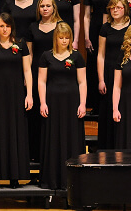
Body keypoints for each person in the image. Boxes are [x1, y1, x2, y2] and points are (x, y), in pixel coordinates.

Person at [0, 11, 32, 188]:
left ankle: (15, 176)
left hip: (16, 94)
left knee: (15, 131)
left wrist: (30, 94)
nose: (4, 29)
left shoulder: (21, 44)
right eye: (1, 26)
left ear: (12, 27)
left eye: (7, 26)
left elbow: (27, 71)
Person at [38, 22, 86, 190]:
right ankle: (52, 179)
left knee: (71, 138)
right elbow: (42, 81)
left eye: (67, 38)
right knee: (53, 137)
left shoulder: (77, 56)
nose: (64, 41)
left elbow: (82, 82)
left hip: (72, 103)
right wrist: (43, 102)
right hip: (52, 103)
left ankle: (72, 181)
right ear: (55, 38)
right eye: (61, 38)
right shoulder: (46, 56)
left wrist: (82, 103)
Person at [25, 0, 61, 162]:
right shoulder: (32, 26)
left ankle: (53, 152)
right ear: (38, 9)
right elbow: (30, 53)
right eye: (42, 6)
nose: (45, 8)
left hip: (55, 71)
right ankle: (36, 153)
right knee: (36, 113)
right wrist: (27, 76)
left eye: (48, 5)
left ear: (54, 8)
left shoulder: (61, 26)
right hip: (36, 71)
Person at [96, 0, 131, 150]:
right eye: (112, 8)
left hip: (128, 72)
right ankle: (108, 147)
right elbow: (101, 55)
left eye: (118, 7)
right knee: (108, 109)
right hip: (110, 72)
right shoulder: (105, 28)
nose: (115, 10)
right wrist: (101, 79)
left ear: (125, 9)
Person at [83, 0, 112, 113]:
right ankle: (95, 104)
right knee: (94, 65)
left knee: (109, 62)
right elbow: (86, 16)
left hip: (111, 28)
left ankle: (109, 102)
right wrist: (86, 37)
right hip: (94, 29)